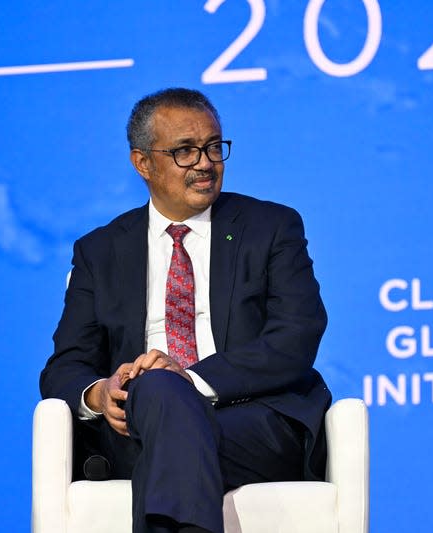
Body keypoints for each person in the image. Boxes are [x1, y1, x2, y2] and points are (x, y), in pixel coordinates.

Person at [40, 88, 330, 533]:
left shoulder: (270, 227)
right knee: (156, 393)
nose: (205, 163)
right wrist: (101, 393)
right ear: (142, 163)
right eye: (185, 151)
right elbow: (64, 367)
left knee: (163, 396)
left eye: (214, 146)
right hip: (137, 427)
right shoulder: (100, 251)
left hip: (255, 422)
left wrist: (189, 380)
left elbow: (295, 338)